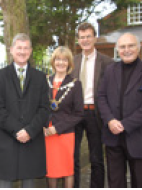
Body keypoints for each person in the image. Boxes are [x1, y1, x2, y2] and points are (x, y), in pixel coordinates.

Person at [98, 33, 142, 188]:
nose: (126, 50)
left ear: (138, 48)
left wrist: (125, 124)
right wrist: (110, 120)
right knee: (115, 182)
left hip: (139, 137)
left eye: (131, 45)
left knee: (140, 182)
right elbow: (101, 96)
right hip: (112, 137)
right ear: (117, 49)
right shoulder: (109, 70)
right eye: (122, 46)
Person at [0, 33, 50, 188]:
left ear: (30, 51)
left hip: (32, 141)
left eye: (25, 48)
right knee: (4, 184)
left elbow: (44, 109)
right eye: (19, 48)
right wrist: (18, 130)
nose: (22, 52)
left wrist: (29, 131)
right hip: (7, 140)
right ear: (11, 50)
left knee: (29, 184)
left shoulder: (40, 78)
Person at [72, 22, 113, 188]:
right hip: (75, 114)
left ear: (94, 38)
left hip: (95, 113)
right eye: (82, 37)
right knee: (72, 156)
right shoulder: (73, 61)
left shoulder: (107, 62)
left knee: (96, 157)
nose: (85, 40)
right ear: (78, 40)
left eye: (88, 36)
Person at [44, 47, 84, 188]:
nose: (61, 63)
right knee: (51, 169)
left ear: (69, 63)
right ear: (53, 62)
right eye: (58, 59)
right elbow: (40, 107)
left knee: (67, 169)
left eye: (64, 60)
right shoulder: (45, 81)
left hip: (65, 133)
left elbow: (79, 113)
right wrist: (44, 126)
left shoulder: (75, 83)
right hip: (47, 133)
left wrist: (57, 128)